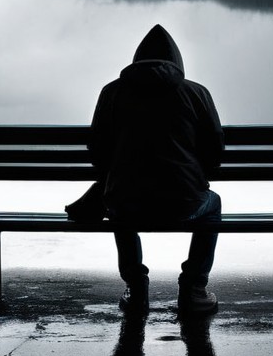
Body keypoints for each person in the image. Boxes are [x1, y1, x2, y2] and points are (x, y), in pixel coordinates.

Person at [89, 24, 225, 316]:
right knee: (213, 205)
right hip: (183, 200)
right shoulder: (197, 93)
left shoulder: (111, 92)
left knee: (116, 199)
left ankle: (136, 287)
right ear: (177, 61)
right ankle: (193, 288)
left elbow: (97, 152)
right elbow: (215, 152)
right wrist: (194, 176)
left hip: (127, 201)